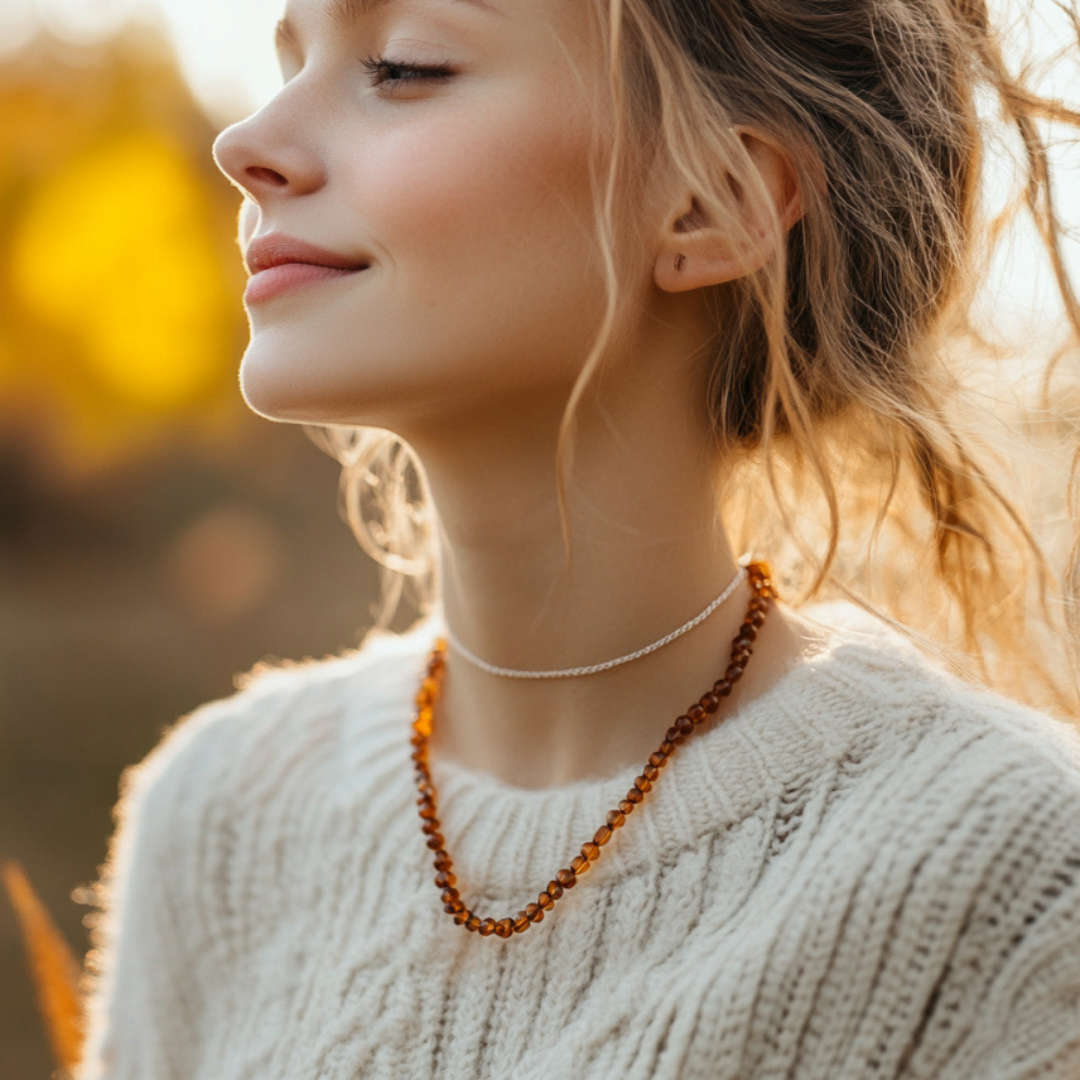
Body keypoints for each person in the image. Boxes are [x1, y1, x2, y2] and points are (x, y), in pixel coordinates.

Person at [77, 0, 1080, 1076]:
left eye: (403, 67)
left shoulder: (1009, 883)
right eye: (289, 61)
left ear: (711, 203)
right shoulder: (221, 816)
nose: (244, 144)